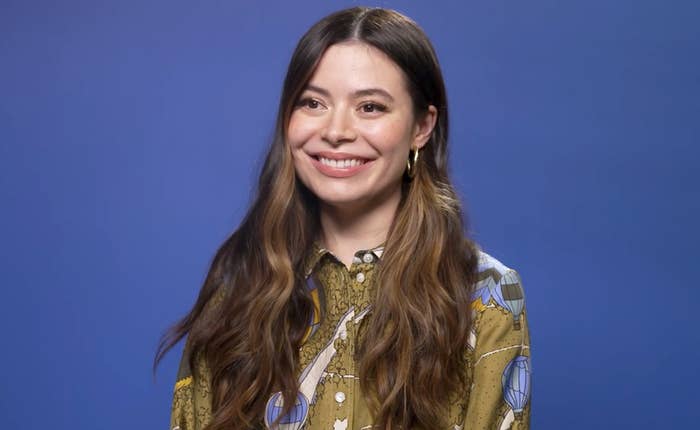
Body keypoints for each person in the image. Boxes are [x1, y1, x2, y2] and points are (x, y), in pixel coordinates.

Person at [156, 6, 531, 430]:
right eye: (313, 102)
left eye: (370, 107)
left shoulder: (485, 296)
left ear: (421, 127)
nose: (336, 131)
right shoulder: (238, 286)